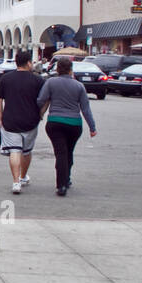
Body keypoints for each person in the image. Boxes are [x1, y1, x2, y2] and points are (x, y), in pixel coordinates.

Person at [36, 56, 97, 197]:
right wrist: (92, 128)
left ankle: (61, 185)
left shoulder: (51, 82)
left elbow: (40, 100)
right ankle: (67, 178)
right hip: (74, 125)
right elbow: (85, 109)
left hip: (55, 123)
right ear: (71, 70)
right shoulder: (79, 86)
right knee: (68, 152)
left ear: (57, 69)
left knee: (60, 154)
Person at [0, 50, 45, 195]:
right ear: (28, 63)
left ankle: (16, 182)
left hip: (10, 120)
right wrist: (40, 114)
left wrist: (1, 117)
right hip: (30, 121)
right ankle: (23, 177)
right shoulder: (38, 80)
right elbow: (45, 99)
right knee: (26, 151)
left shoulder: (6, 78)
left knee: (14, 150)